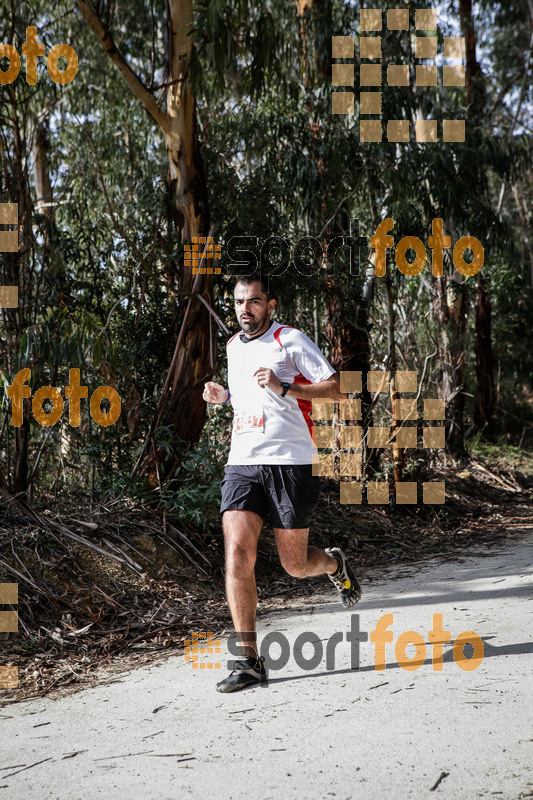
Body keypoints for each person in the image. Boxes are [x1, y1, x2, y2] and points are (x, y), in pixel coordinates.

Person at [203, 274, 361, 692]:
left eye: (253, 301)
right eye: (238, 302)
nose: (244, 309)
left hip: (292, 462)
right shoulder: (233, 346)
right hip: (244, 462)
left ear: (269, 304)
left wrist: (285, 386)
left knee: (294, 565)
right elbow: (249, 395)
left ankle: (333, 563)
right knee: (237, 552)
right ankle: (249, 661)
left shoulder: (290, 339)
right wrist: (226, 398)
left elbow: (338, 388)